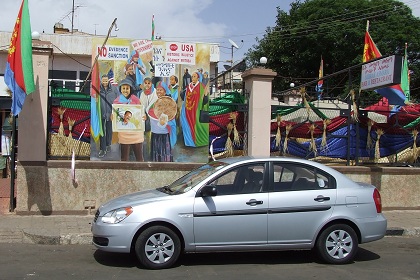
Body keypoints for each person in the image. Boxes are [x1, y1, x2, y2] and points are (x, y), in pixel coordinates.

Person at [113, 78, 145, 161]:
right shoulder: (116, 102)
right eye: (123, 88)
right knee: (124, 158)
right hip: (124, 134)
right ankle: (124, 173)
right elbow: (114, 116)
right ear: (121, 89)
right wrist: (112, 117)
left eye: (127, 88)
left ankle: (141, 173)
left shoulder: (136, 99)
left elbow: (142, 112)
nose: (125, 90)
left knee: (139, 157)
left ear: (130, 89)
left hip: (136, 133)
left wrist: (144, 116)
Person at [146, 81, 175, 162]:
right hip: (155, 132)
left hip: (163, 133)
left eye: (161, 90)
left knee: (164, 154)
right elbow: (149, 112)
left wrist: (164, 122)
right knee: (156, 154)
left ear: (165, 91)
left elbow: (171, 116)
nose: (159, 91)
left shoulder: (169, 102)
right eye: (157, 90)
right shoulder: (155, 101)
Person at [180, 71, 209, 147]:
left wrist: (205, 98)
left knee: (196, 126)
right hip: (187, 110)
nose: (193, 78)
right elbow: (184, 97)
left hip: (196, 110)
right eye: (192, 76)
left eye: (194, 76)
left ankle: (196, 141)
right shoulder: (188, 87)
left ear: (198, 78)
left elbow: (205, 99)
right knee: (185, 123)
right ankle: (189, 141)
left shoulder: (201, 86)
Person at [98, 74, 119, 158]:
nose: (105, 82)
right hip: (101, 113)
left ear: (108, 81)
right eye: (103, 81)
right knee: (102, 131)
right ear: (101, 81)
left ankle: (108, 144)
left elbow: (117, 101)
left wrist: (114, 113)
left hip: (111, 113)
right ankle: (102, 149)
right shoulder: (98, 89)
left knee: (109, 130)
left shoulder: (114, 89)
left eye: (106, 81)